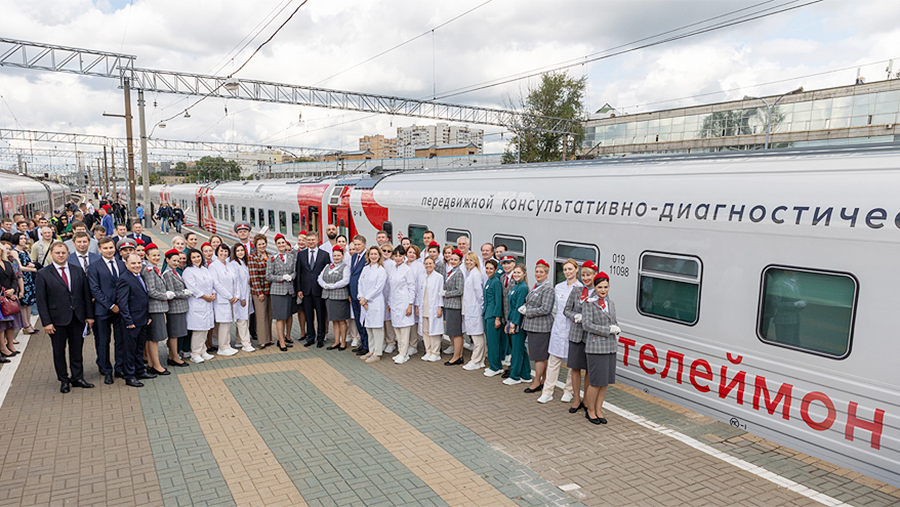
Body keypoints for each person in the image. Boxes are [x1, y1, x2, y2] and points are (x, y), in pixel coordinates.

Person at [35, 241, 95, 393]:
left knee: (77, 350)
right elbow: (41, 301)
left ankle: (77, 378)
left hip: (77, 318)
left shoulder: (77, 270)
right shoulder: (43, 274)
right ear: (51, 254)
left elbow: (86, 295)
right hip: (57, 320)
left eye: (63, 252)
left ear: (68, 253)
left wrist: (89, 316)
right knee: (59, 351)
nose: (61, 255)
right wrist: (46, 322)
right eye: (57, 253)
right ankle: (63, 379)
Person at [87, 237, 128, 384]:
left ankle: (119, 368)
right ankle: (106, 370)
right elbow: (95, 290)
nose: (109, 250)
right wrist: (111, 305)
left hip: (120, 310)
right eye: (105, 248)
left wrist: (121, 305)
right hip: (102, 310)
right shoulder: (93, 267)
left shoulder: (122, 265)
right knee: (103, 341)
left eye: (111, 247)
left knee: (120, 340)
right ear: (99, 250)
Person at [539, 259, 581, 404]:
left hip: (573, 328)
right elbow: (557, 307)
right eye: (565, 269)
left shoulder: (581, 288)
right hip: (558, 327)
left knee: (572, 363)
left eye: (570, 269)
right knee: (553, 361)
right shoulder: (559, 287)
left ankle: (568, 391)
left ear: (576, 270)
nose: (568, 272)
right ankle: (547, 391)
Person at [581, 272, 619, 425]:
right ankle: (590, 410)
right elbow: (587, 325)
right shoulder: (589, 303)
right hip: (596, 347)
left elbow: (614, 321)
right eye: (600, 287)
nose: (603, 290)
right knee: (595, 382)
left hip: (610, 346)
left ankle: (598, 409)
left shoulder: (611, 303)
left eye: (605, 287)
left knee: (604, 382)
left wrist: (616, 328)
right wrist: (607, 330)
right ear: (595, 288)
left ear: (609, 287)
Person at [116, 253, 156, 388]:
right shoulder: (124, 279)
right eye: (133, 263)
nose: (137, 265)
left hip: (142, 320)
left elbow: (143, 299)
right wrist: (128, 321)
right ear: (126, 264)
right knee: (130, 350)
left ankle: (139, 371)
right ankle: (129, 376)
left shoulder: (141, 276)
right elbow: (122, 303)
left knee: (139, 348)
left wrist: (147, 317)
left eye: (139, 263)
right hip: (132, 322)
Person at [563, 261, 598, 413]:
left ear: (594, 275)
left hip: (591, 336)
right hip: (577, 334)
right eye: (583, 275)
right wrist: (575, 315)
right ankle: (576, 399)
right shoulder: (576, 291)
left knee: (589, 370)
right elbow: (566, 310)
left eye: (588, 275)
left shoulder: (599, 292)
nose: (585, 278)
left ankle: (587, 400)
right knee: (575, 368)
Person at [521, 260, 555, 395]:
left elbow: (546, 309)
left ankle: (537, 382)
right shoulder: (537, 286)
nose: (538, 274)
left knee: (539, 356)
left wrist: (527, 311)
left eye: (541, 272)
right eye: (537, 271)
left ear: (547, 273)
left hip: (540, 327)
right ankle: (543, 380)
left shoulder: (548, 289)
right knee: (540, 356)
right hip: (534, 326)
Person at [139, 243, 171, 376]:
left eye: (158, 255)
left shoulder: (153, 268)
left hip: (157, 307)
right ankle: (156, 365)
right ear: (146, 256)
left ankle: (152, 364)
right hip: (154, 307)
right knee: (154, 338)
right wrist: (165, 296)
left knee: (154, 337)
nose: (157, 257)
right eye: (154, 255)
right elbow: (151, 291)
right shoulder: (149, 270)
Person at [296, 231, 329, 347]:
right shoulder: (301, 255)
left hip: (319, 290)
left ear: (317, 240)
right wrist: (299, 289)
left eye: (312, 240)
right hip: (306, 290)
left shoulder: (324, 255)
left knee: (321, 315)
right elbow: (298, 273)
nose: (310, 242)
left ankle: (320, 338)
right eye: (308, 240)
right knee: (308, 315)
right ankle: (310, 337)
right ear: (306, 241)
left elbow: (327, 273)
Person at [182, 249, 216, 364]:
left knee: (205, 328)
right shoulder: (188, 271)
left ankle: (203, 351)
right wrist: (204, 296)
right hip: (197, 303)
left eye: (198, 256)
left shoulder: (205, 269)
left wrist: (213, 293)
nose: (197, 259)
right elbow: (192, 287)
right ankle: (195, 353)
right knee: (198, 330)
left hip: (208, 302)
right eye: (194, 257)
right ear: (190, 259)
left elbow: (211, 283)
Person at [208, 244, 240, 357]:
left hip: (232, 299)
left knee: (228, 322)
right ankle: (222, 347)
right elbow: (216, 284)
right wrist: (229, 296)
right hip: (223, 299)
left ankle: (227, 345)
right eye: (221, 251)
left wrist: (236, 294)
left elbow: (236, 280)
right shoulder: (213, 266)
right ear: (217, 252)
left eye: (226, 251)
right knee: (223, 323)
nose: (224, 253)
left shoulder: (230, 265)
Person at [266, 234, 296, 351]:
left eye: (283, 242)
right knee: (280, 317)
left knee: (288, 315)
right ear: (276, 245)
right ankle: (281, 341)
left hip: (289, 290)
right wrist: (282, 277)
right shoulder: (272, 258)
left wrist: (291, 277)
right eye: (279, 243)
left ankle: (285, 337)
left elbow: (295, 271)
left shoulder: (291, 257)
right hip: (278, 291)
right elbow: (268, 276)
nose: (281, 245)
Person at [502, 264, 531, 386]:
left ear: (524, 274)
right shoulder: (516, 286)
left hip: (517, 322)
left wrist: (514, 324)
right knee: (521, 349)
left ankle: (515, 376)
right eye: (515, 273)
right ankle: (526, 375)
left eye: (519, 273)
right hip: (512, 320)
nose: (516, 275)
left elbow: (519, 307)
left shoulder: (523, 287)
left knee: (517, 351)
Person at [386, 246, 416, 364]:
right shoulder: (393, 268)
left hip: (404, 302)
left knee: (404, 329)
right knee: (397, 328)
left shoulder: (407, 270)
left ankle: (404, 353)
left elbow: (411, 287)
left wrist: (410, 304)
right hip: (394, 302)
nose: (398, 258)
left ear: (404, 256)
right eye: (396, 255)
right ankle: (400, 351)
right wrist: (389, 302)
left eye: (400, 255)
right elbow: (390, 288)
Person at [357, 246, 387, 363]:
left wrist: (366, 299)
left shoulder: (381, 270)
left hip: (375, 303)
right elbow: (360, 283)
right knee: (368, 328)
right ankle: (371, 350)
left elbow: (378, 288)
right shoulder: (365, 269)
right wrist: (361, 298)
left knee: (377, 329)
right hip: (364, 302)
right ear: (368, 256)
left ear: (379, 255)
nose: (373, 256)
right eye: (371, 254)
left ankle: (377, 353)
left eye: (375, 254)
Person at [161, 249, 190, 368]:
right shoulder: (168, 273)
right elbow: (171, 292)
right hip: (175, 307)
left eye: (178, 260)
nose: (176, 263)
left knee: (177, 333)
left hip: (180, 307)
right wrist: (185, 293)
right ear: (167, 260)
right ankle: (174, 357)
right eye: (174, 260)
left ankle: (173, 356)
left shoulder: (174, 272)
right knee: (174, 333)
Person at [318, 245, 350, 350]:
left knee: (341, 320)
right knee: (334, 320)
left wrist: (332, 286)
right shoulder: (328, 266)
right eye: (334, 255)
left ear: (342, 256)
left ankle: (343, 342)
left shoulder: (345, 267)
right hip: (328, 297)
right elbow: (320, 278)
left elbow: (345, 281)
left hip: (339, 296)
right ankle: (336, 341)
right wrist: (324, 285)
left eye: (338, 255)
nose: (336, 257)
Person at [461, 252, 486, 371]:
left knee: (477, 338)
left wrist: (481, 309)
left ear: (476, 261)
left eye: (471, 260)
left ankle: (475, 360)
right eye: (466, 260)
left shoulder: (476, 275)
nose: (468, 262)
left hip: (475, 311)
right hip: (471, 310)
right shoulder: (471, 273)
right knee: (476, 336)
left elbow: (479, 294)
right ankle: (480, 360)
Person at [416, 256, 443, 361]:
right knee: (425, 330)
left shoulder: (439, 277)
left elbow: (441, 293)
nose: (428, 265)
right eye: (426, 263)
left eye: (430, 263)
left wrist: (440, 307)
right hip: (424, 307)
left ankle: (435, 353)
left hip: (434, 307)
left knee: (434, 331)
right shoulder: (421, 277)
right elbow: (418, 293)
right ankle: (428, 351)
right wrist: (417, 307)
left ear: (434, 264)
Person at [248, 234, 273, 348]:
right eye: (259, 244)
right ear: (256, 245)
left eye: (263, 244)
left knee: (269, 315)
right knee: (261, 316)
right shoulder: (253, 257)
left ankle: (269, 338)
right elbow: (254, 276)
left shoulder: (270, 256)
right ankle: (262, 340)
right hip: (260, 291)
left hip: (270, 290)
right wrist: (259, 292)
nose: (262, 246)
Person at [441, 249, 465, 366]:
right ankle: (459, 355)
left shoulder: (459, 273)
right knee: (454, 332)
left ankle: (456, 357)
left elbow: (459, 290)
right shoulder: (452, 271)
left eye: (456, 260)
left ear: (460, 261)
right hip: (450, 305)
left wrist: (446, 293)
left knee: (456, 333)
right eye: (452, 259)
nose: (453, 261)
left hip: (455, 306)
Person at [0, 241, 23, 360]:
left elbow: (14, 278)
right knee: (2, 325)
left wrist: (13, 290)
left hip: (10, 296)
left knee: (11, 322)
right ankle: (3, 348)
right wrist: (5, 292)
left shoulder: (7, 263)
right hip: (1, 297)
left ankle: (10, 344)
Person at [229, 244, 254, 352]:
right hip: (241, 296)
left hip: (247, 294)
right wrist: (242, 297)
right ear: (234, 252)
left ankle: (239, 341)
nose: (240, 252)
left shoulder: (244, 263)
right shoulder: (234, 264)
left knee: (244, 318)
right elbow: (237, 282)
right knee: (242, 320)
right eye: (237, 250)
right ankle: (246, 344)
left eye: (242, 250)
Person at [12, 233, 38, 334]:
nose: (23, 240)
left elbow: (31, 262)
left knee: (29, 303)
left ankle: (29, 323)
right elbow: (20, 267)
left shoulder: (26, 251)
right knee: (24, 304)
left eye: (24, 238)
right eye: (21, 238)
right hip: (22, 279)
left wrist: (32, 265)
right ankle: (25, 324)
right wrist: (34, 269)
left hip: (29, 278)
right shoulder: (14, 252)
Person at [482, 259, 504, 376]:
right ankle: (495, 365)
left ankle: (495, 367)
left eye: (491, 268)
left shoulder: (495, 282)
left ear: (496, 270)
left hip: (492, 316)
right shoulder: (489, 280)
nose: (488, 270)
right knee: (490, 342)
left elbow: (498, 301)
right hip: (487, 314)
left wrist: (497, 318)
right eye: (487, 268)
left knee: (493, 342)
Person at [349, 235, 369, 356]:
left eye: (359, 244)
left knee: (364, 321)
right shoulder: (354, 256)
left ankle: (367, 345)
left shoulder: (367, 257)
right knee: (357, 320)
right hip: (354, 293)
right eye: (355, 244)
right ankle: (362, 343)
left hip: (362, 295)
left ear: (364, 244)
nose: (356, 247)